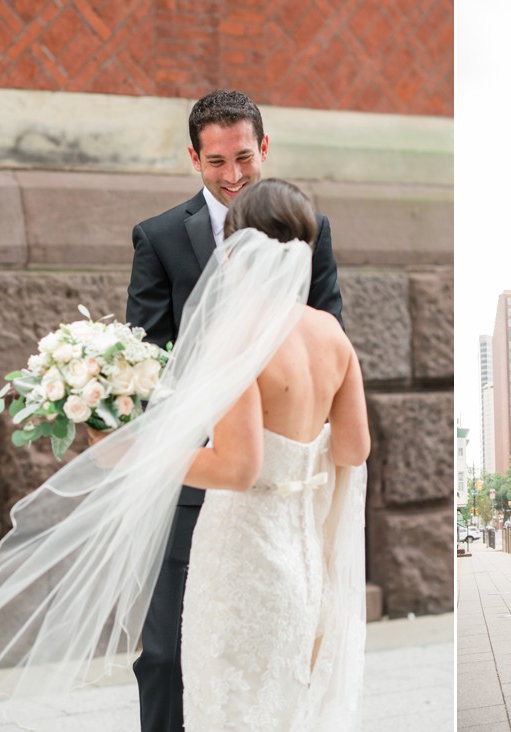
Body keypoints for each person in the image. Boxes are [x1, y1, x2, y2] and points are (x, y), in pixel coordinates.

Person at [0, 179, 368, 729]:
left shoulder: (242, 337)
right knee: (283, 703)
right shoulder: (332, 336)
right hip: (302, 560)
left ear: (235, 246)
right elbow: (353, 448)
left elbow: (237, 467)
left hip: (243, 552)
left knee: (227, 704)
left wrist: (136, 455)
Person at [125, 89, 344, 732]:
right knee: (165, 655)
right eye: (216, 162)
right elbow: (148, 355)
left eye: (243, 157)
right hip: (194, 472)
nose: (233, 175)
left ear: (264, 148)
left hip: (275, 486)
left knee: (273, 652)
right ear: (194, 159)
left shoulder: (310, 227)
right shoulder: (161, 237)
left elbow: (329, 328)